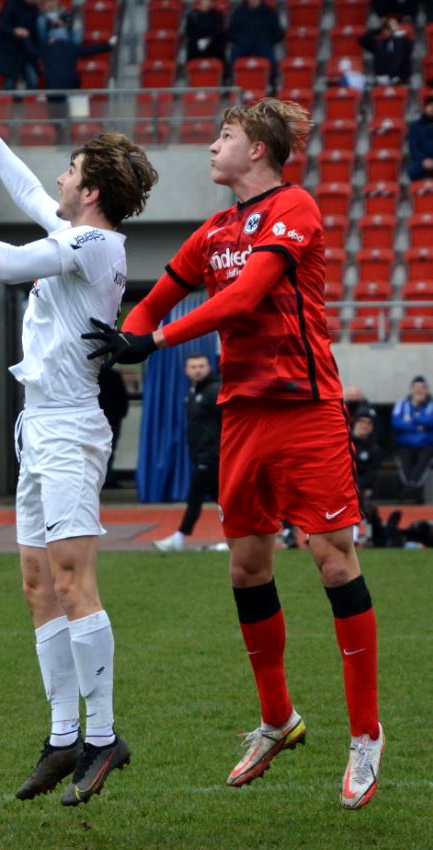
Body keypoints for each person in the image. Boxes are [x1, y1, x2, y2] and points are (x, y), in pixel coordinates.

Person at [85, 98, 383, 809]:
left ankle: (365, 734)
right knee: (247, 567)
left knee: (332, 559)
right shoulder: (213, 231)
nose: (212, 146)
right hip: (242, 414)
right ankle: (278, 719)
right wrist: (120, 340)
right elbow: (153, 301)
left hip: (305, 408)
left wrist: (153, 342)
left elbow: (246, 296)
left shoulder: (295, 207)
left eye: (223, 135)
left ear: (257, 150)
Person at [0, 78, 158, 806]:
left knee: (74, 582)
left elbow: (9, 264)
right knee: (37, 584)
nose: (60, 178)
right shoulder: (81, 235)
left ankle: (102, 737)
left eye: (71, 170)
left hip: (70, 427)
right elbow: (28, 196)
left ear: (92, 190)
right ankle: (62, 735)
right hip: (39, 424)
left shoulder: (94, 243)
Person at [154, 354, 222, 551]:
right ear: (186, 370)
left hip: (211, 455)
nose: (197, 370)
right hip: (200, 453)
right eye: (193, 367)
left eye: (201, 366)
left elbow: (226, 421)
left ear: (209, 367)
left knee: (195, 496)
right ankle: (240, 537)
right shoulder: (192, 393)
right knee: (223, 500)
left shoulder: (214, 391)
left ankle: (179, 537)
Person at [390, 375, 433, 494]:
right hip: (405, 444)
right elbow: (396, 423)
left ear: (427, 389)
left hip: (427, 445)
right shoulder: (401, 404)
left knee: (422, 464)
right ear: (411, 389)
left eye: (422, 387)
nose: (419, 390)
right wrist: (419, 426)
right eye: (416, 387)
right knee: (405, 465)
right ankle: (409, 488)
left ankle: (412, 489)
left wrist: (413, 419)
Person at [227, 0, 282, 84]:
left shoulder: (269, 12)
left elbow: (278, 32)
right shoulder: (239, 12)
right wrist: (239, 40)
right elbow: (231, 32)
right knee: (235, 55)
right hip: (243, 43)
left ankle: (272, 82)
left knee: (269, 55)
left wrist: (269, 41)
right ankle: (231, 81)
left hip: (262, 43)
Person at [0, 0, 41, 90]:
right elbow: (2, 26)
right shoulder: (11, 5)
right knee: (10, 82)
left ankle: (29, 99)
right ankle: (6, 99)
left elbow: (35, 34)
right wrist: (15, 31)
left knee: (33, 79)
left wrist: (37, 52)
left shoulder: (34, 10)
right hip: (10, 51)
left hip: (27, 52)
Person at [96, 362, 128, 489]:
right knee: (109, 448)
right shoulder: (113, 374)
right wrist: (122, 412)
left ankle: (101, 477)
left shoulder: (91, 376)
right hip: (113, 417)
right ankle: (107, 477)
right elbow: (122, 396)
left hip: (100, 416)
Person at [350, 406, 381, 535]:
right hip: (339, 483)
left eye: (369, 423)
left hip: (359, 488)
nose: (365, 426)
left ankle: (355, 531)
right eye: (362, 421)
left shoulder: (374, 448)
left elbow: (372, 473)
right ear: (355, 422)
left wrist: (368, 487)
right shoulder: (343, 441)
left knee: (360, 492)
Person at [358, 15, 413, 85]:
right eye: (384, 29)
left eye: (388, 28)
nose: (385, 31)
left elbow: (409, 48)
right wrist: (378, 29)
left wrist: (396, 32)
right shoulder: (378, 43)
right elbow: (362, 40)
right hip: (381, 79)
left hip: (399, 79)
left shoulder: (402, 41)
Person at [406, 95, 433, 181]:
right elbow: (413, 148)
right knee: (412, 170)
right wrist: (423, 160)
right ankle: (422, 187)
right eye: (430, 105)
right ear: (425, 108)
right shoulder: (415, 126)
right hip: (421, 160)